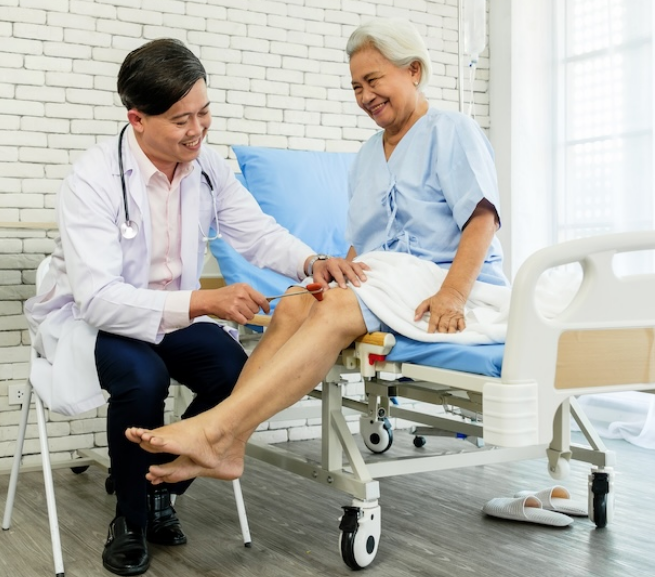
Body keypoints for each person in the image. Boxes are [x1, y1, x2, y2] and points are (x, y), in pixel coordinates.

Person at [23, 38, 364, 576]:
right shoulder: (92, 180)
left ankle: (162, 485)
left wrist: (310, 261)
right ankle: (131, 518)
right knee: (142, 378)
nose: (198, 129)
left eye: (204, 112)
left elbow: (256, 234)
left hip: (173, 315)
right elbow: (100, 298)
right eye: (181, 119)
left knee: (240, 374)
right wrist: (206, 300)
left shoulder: (207, 168)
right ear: (136, 119)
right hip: (101, 319)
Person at [125, 18, 506, 486]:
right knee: (302, 299)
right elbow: (364, 243)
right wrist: (329, 272)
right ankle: (231, 445)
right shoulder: (367, 155)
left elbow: (482, 219)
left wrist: (453, 295)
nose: (365, 96)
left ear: (413, 70)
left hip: (444, 282)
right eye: (356, 87)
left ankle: (217, 429)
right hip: (393, 279)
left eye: (373, 81)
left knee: (337, 306)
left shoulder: (453, 130)